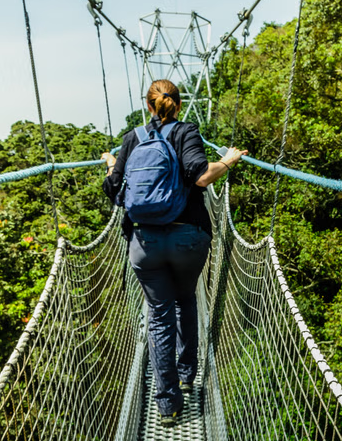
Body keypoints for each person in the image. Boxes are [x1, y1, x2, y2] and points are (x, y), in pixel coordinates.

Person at [101, 79, 247, 426]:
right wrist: (228, 161)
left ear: (149, 106)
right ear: (177, 105)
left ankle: (168, 405)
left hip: (144, 244)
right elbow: (201, 177)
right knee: (186, 301)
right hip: (188, 240)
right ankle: (186, 375)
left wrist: (111, 163)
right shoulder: (186, 132)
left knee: (159, 316)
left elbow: (112, 188)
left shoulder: (132, 138)